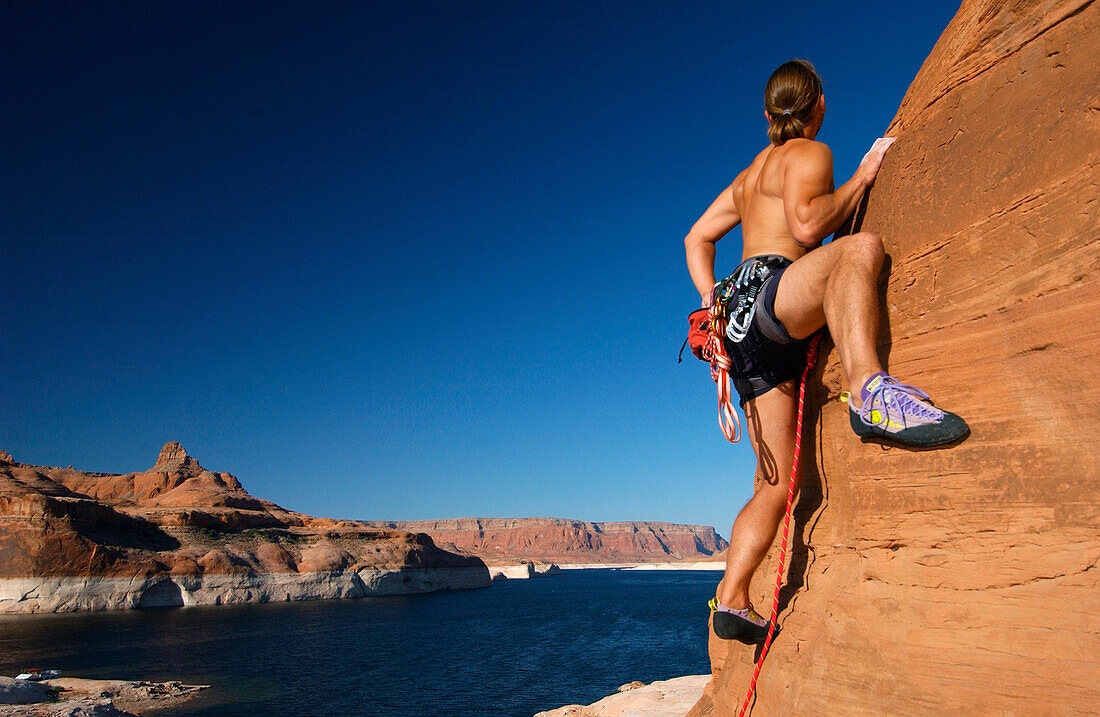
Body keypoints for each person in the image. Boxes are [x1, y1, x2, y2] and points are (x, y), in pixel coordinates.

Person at [683, 59, 968, 645]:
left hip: (742, 327)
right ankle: (871, 393)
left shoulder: (747, 176)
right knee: (858, 250)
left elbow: (696, 238)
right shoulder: (810, 154)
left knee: (776, 484)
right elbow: (809, 225)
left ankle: (732, 598)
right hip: (772, 296)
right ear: (816, 107)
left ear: (767, 115)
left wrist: (712, 300)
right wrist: (863, 177)